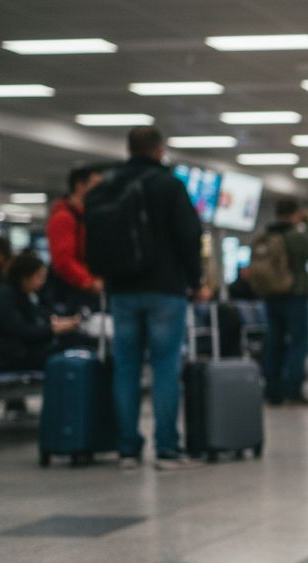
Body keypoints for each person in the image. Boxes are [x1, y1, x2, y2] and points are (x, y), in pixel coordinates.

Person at [106, 126, 203, 471]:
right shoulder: (169, 185)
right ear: (160, 150)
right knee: (164, 367)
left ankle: (127, 449)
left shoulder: (109, 185)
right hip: (165, 287)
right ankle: (166, 449)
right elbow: (190, 235)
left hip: (121, 289)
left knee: (126, 367)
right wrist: (196, 280)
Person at [256, 199, 308, 406]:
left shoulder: (266, 235)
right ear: (295, 214)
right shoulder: (295, 236)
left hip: (270, 295)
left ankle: (272, 391)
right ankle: (293, 391)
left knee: (273, 342)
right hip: (294, 294)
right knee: (298, 342)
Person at [0, 253, 81, 372]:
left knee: (74, 341)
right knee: (73, 345)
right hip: (8, 356)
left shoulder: (23, 295)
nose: (43, 282)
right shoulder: (2, 297)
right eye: (39, 276)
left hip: (24, 350)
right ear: (25, 277)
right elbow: (19, 330)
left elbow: (42, 315)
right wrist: (53, 329)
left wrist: (60, 322)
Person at [46, 165, 105, 314]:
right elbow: (63, 261)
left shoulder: (88, 216)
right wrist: (89, 282)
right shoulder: (64, 217)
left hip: (88, 290)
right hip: (72, 293)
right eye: (96, 184)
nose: (101, 190)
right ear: (80, 186)